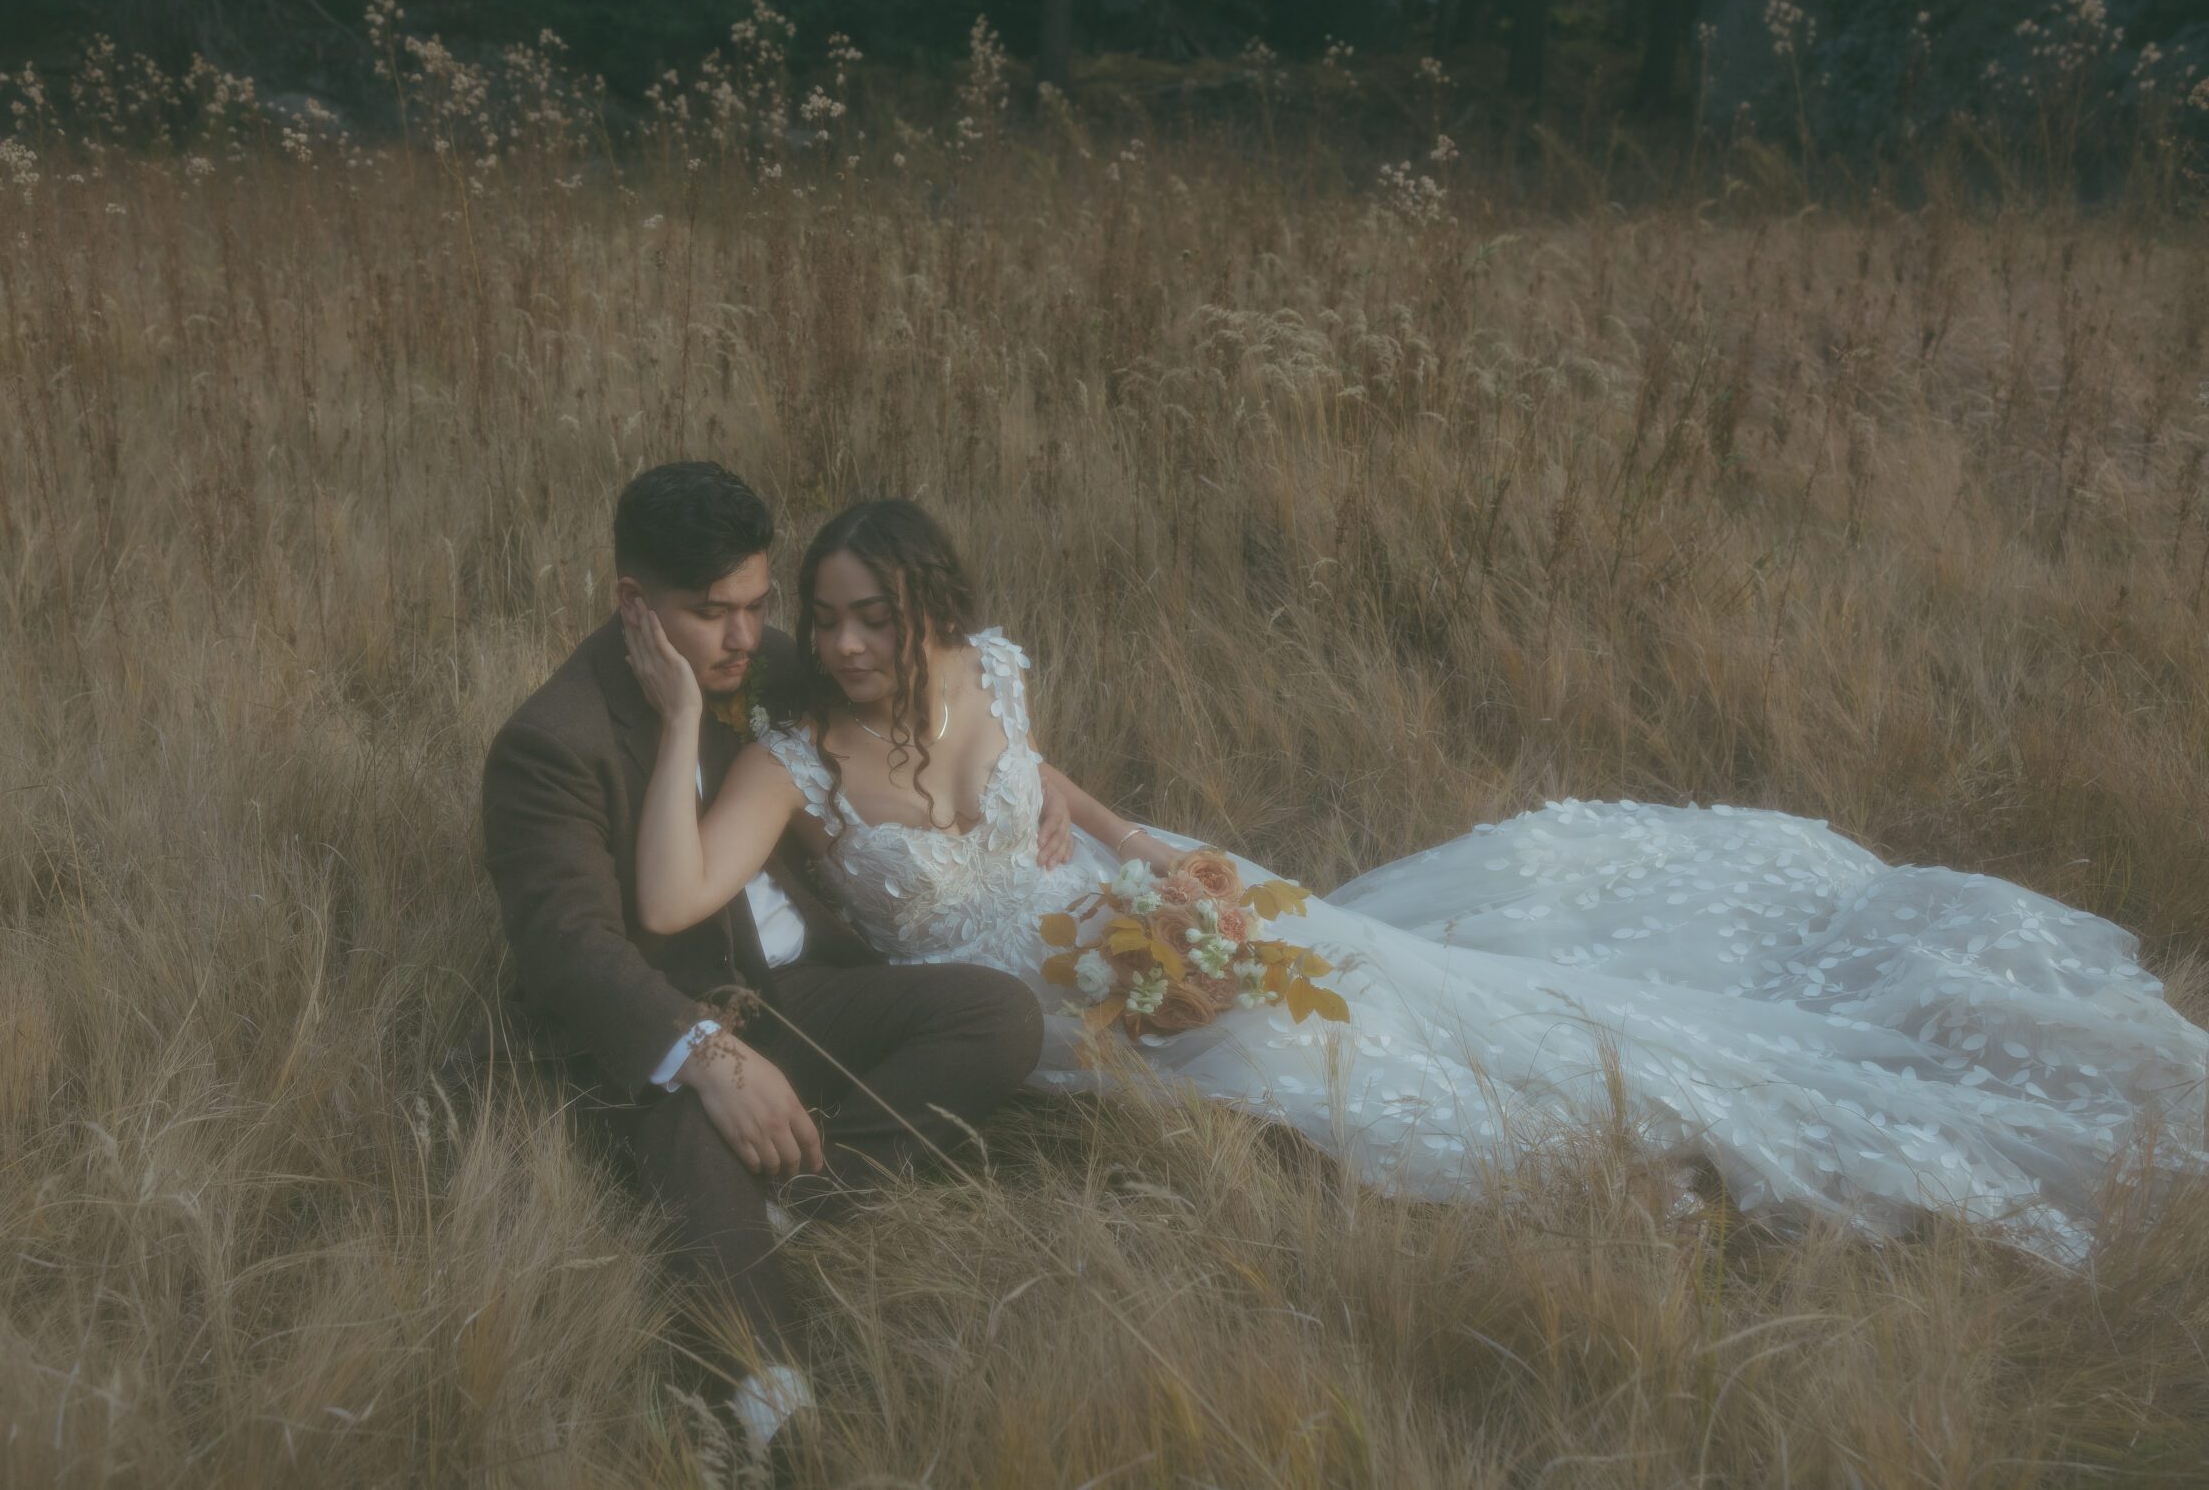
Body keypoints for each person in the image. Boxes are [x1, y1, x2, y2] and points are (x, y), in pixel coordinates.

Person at [622, 497, 2209, 1264]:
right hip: (1037, 987)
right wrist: (694, 711)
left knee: (1387, 976)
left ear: (931, 609)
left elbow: (1053, 790)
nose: (839, 644)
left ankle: (1650, 1120)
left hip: (1135, 907)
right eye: (820, 618)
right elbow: (672, 898)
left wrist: (1146, 851)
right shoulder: (799, 759)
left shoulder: (992, 671)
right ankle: (1600, 1171)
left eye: (867, 616)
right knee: (1310, 1070)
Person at [477, 463, 1065, 1461]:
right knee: (702, 1157)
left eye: (755, 604)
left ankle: (805, 1201)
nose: (744, 637)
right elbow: (566, 947)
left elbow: (931, 703)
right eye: (710, 614)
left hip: (801, 988)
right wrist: (705, 1052)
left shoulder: (781, 661)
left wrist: (1044, 784)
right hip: (671, 1011)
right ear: (635, 602)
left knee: (1000, 1016)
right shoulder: (552, 743)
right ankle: (768, 1407)